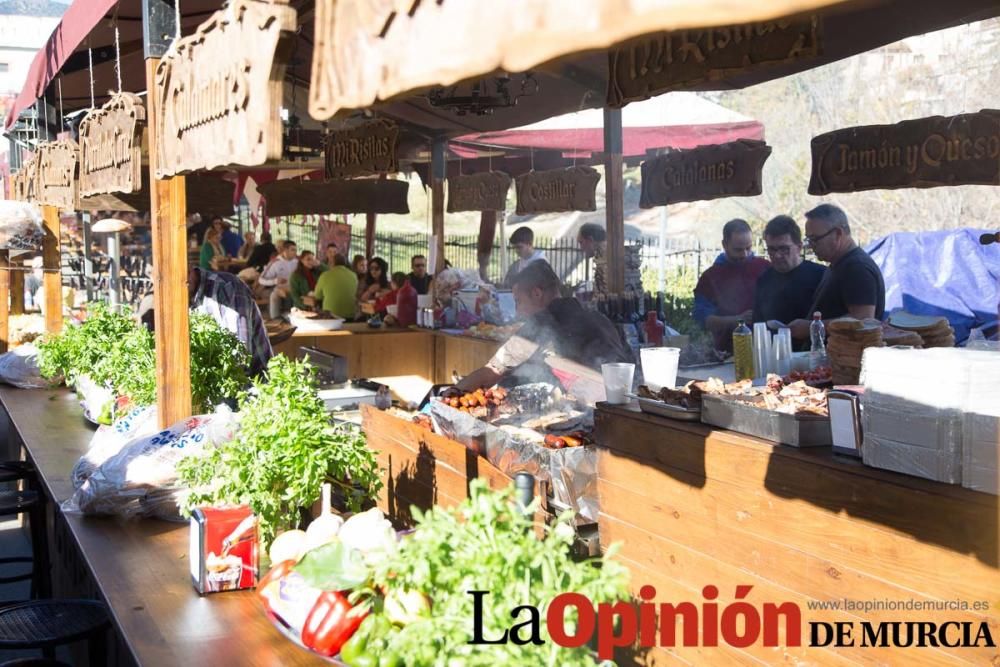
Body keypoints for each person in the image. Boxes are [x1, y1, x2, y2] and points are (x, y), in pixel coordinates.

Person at [454, 261, 631, 392]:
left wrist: (454, 392)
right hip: (623, 401)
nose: (517, 310)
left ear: (537, 293)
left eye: (518, 301)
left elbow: (493, 369)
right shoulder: (597, 316)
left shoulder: (543, 321)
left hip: (595, 408)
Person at [787, 203, 886, 340]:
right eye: (808, 239)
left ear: (838, 234)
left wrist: (812, 327)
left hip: (850, 357)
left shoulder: (857, 268)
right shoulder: (839, 264)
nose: (810, 246)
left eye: (815, 239)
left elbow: (863, 320)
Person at [693, 219, 770, 352]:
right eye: (738, 250)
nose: (744, 254)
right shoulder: (710, 278)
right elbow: (703, 319)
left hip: (767, 347)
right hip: (728, 352)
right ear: (725, 244)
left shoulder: (765, 268)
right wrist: (736, 320)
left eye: (748, 248)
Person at [752, 215, 827, 349]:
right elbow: (758, 324)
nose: (777, 255)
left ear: (799, 247)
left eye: (784, 249)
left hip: (815, 355)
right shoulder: (764, 280)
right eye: (772, 249)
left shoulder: (821, 276)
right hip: (775, 356)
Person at [187, 267, 272, 377]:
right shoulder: (177, 302)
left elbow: (240, 361)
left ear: (188, 274)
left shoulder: (227, 287)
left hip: (253, 386)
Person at [259, 241, 299, 319]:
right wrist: (275, 281)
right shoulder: (275, 262)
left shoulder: (297, 262)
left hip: (295, 288)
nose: (295, 252)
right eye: (293, 250)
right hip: (279, 289)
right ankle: (275, 320)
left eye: (295, 250)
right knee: (274, 296)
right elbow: (261, 279)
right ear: (285, 250)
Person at [313, 253, 359, 319]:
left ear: (332, 263)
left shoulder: (325, 275)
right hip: (350, 315)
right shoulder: (353, 275)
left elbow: (317, 296)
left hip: (331, 315)